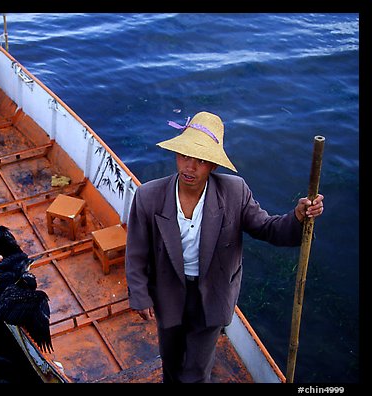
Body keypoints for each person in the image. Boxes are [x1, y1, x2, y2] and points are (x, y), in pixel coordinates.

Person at [124, 111, 324, 383]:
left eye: (200, 160)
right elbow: (137, 251)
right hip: (168, 291)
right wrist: (139, 294)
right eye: (184, 156)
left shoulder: (235, 192)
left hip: (213, 295)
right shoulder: (148, 196)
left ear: (213, 166)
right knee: (170, 359)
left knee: (196, 371)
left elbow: (267, 228)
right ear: (176, 155)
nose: (189, 167)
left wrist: (298, 217)